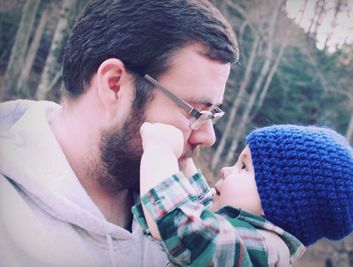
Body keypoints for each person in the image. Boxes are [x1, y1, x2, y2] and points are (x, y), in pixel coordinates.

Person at [0, 0, 239, 266]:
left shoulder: (193, 222)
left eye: (212, 114)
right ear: (114, 85)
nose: (208, 137)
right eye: (195, 112)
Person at [134, 122, 353, 267]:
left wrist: (159, 151)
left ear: (278, 203)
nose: (226, 170)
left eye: (244, 167)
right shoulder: (248, 231)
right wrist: (184, 164)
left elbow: (184, 227)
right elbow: (202, 204)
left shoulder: (263, 253)